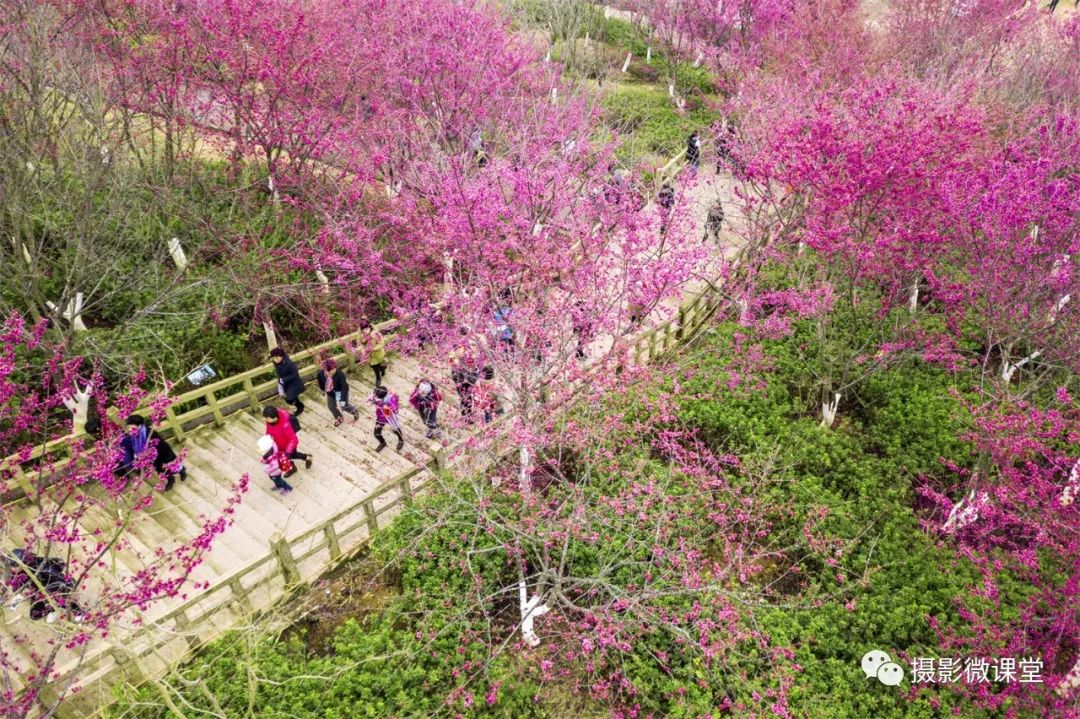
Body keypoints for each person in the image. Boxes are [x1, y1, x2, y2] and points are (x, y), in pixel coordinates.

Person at [5, 549, 82, 623]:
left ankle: (79, 612)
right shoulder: (16, 572)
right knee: (35, 615)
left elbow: (63, 581)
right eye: (11, 566)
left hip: (53, 586)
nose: (12, 569)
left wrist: (69, 590)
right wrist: (18, 596)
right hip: (37, 591)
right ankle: (52, 609)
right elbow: (17, 584)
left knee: (61, 600)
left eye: (15, 566)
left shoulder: (43, 568)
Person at [118, 414, 186, 490]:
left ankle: (182, 471)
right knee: (161, 471)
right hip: (154, 458)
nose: (130, 430)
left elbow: (160, 445)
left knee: (174, 465)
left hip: (164, 454)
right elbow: (136, 445)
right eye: (129, 428)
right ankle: (171, 480)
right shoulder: (135, 434)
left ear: (139, 426)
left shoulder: (150, 434)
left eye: (132, 428)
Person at [317, 357, 359, 427]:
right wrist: (323, 390)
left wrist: (342, 400)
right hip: (331, 393)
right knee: (331, 407)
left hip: (340, 391)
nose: (334, 371)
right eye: (331, 371)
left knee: (344, 406)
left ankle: (355, 411)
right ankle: (339, 417)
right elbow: (321, 384)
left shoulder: (340, 374)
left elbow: (344, 387)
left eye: (334, 368)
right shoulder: (320, 375)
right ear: (325, 370)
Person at [270, 347, 305, 416]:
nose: (275, 360)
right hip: (286, 383)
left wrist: (284, 379)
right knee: (292, 397)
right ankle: (299, 405)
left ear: (281, 356)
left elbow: (295, 374)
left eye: (277, 358)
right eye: (273, 358)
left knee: (290, 399)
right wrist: (280, 382)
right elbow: (279, 374)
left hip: (293, 383)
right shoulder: (277, 363)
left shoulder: (289, 363)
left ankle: (300, 406)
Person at [368, 386, 404, 452]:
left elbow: (389, 413)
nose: (375, 396)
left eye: (376, 396)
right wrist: (372, 399)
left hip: (390, 417)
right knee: (376, 433)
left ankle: (401, 440)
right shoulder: (377, 394)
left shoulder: (390, 400)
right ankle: (382, 442)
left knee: (395, 429)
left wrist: (383, 406)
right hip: (380, 417)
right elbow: (369, 402)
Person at [354, 319, 388, 388]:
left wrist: (373, 348)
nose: (366, 331)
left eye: (367, 329)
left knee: (380, 364)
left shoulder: (376, 334)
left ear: (369, 327)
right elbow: (359, 344)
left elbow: (382, 343)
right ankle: (378, 377)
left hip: (378, 353)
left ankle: (382, 369)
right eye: (364, 330)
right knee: (373, 366)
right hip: (369, 356)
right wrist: (362, 350)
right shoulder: (360, 335)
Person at [450, 349, 480, 423]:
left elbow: (475, 374)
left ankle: (469, 415)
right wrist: (461, 380)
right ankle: (464, 415)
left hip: (469, 384)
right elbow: (454, 377)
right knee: (463, 399)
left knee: (469, 398)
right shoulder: (455, 366)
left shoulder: (469, 363)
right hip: (460, 384)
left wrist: (470, 380)